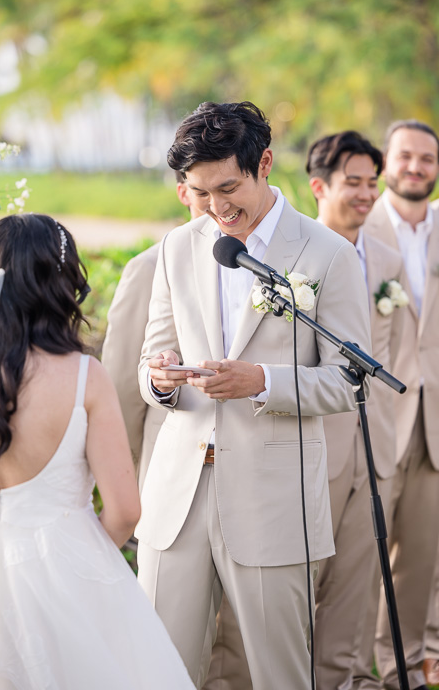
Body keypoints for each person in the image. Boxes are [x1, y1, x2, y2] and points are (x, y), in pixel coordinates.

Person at [135, 101, 372, 690]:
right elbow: (151, 359)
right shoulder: (177, 248)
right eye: (198, 192)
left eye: (228, 187)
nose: (216, 208)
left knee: (281, 676)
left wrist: (262, 381)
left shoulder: (328, 254)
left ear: (264, 163)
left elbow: (351, 377)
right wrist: (160, 378)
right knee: (156, 672)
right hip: (177, 500)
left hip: (274, 498)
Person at [0, 213, 195, 689]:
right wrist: (73, 554)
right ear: (58, 283)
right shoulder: (81, 377)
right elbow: (125, 511)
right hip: (64, 583)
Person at [102, 173, 253, 690]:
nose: (215, 201)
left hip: (254, 483)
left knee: (239, 646)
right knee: (171, 646)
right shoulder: (150, 265)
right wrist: (125, 480)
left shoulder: (264, 261)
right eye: (200, 188)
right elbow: (124, 385)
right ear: (183, 192)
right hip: (173, 479)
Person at [307, 131, 408, 690]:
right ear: (320, 185)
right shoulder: (297, 258)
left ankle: (340, 680)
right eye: (355, 183)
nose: (368, 194)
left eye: (374, 182)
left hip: (376, 448)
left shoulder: (388, 258)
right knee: (297, 586)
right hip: (315, 444)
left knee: (355, 585)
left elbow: (390, 355)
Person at [361, 120, 439, 690]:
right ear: (387, 163)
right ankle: (341, 669)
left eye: (427, 160)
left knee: (417, 559)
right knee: (357, 556)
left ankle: (402, 672)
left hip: (433, 423)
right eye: (406, 157)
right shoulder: (359, 227)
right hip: (373, 418)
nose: (416, 167)